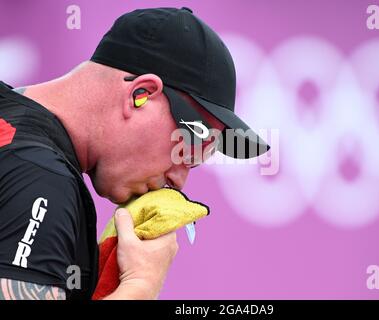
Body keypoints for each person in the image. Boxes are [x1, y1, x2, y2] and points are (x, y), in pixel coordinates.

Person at [0, 7, 269, 300]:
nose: (179, 180)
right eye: (185, 151)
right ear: (140, 95)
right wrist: (141, 284)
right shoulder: (42, 179)